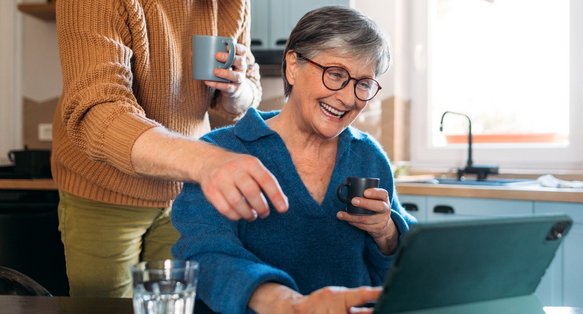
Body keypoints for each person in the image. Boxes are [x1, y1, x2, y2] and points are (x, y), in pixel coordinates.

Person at [172, 6, 417, 314]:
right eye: (336, 74)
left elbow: (403, 271)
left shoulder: (368, 156)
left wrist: (388, 233)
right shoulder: (220, 152)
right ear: (293, 66)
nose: (348, 97)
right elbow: (203, 256)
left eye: (363, 83)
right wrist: (291, 304)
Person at [52, 0, 289, 297]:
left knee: (175, 303)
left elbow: (249, 88)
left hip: (184, 194)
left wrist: (235, 91)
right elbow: (99, 109)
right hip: (103, 188)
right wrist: (204, 161)